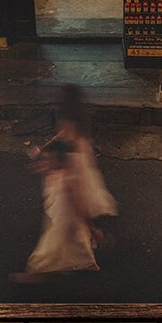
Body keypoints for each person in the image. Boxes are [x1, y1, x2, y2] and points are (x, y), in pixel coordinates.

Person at [12, 84, 120, 283]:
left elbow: (72, 177)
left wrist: (48, 164)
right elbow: (63, 139)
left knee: (60, 229)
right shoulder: (78, 126)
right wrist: (46, 153)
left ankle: (37, 270)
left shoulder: (69, 148)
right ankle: (88, 255)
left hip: (68, 182)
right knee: (71, 227)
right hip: (73, 175)